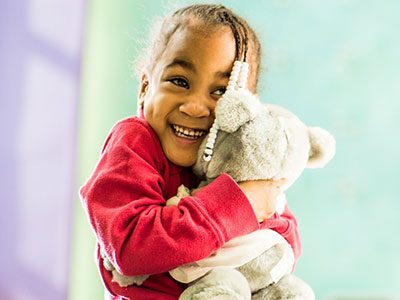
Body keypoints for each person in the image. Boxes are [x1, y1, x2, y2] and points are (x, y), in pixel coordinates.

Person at [80, 4, 302, 300]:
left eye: (221, 92)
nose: (195, 107)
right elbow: (131, 246)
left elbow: (284, 244)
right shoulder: (134, 143)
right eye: (180, 82)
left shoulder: (239, 156)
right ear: (146, 87)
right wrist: (238, 204)